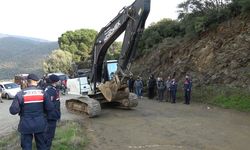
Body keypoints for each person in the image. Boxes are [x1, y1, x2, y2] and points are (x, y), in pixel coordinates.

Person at [9, 73, 52, 150]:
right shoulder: (43, 93)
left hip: (25, 125)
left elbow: (13, 111)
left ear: (27, 82)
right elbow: (50, 108)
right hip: (40, 124)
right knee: (42, 145)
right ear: (36, 82)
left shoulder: (20, 94)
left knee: (26, 147)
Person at [44, 74, 61, 150]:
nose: (60, 82)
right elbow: (49, 104)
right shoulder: (50, 90)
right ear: (55, 81)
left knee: (49, 135)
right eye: (58, 81)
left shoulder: (52, 89)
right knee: (49, 135)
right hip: (50, 117)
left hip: (52, 116)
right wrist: (54, 114)